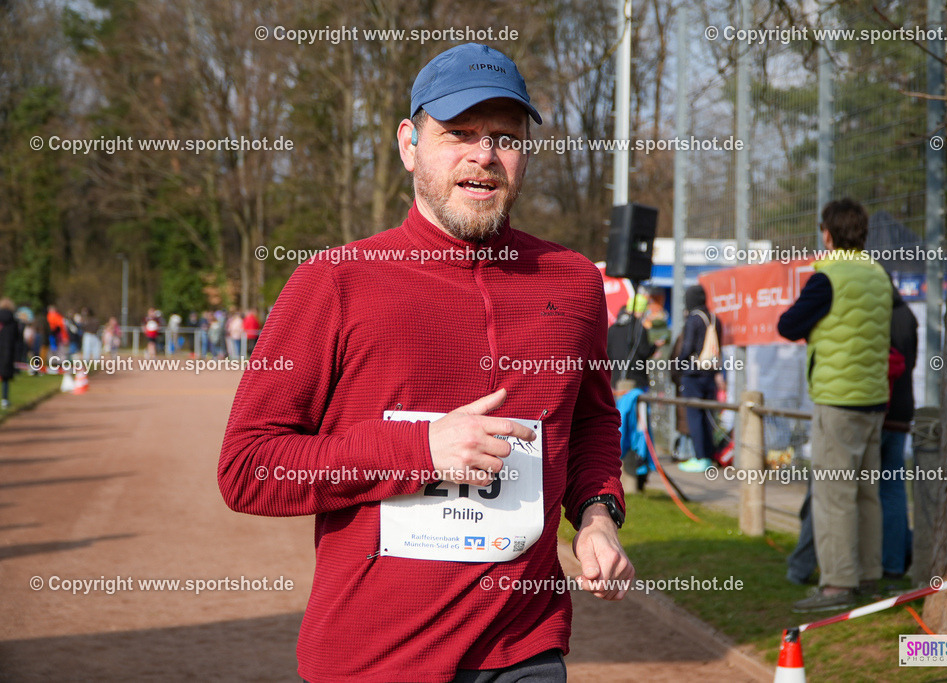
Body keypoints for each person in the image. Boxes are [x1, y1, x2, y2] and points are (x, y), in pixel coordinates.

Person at [219, 43, 633, 682]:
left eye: (505, 137)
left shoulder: (573, 282)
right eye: (459, 133)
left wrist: (599, 516)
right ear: (410, 144)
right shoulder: (334, 282)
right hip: (374, 659)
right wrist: (418, 449)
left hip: (525, 650)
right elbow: (249, 469)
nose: (484, 155)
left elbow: (589, 426)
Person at [778, 198, 892, 612]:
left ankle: (837, 586)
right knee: (866, 494)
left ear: (827, 232)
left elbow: (787, 325)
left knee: (833, 495)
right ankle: (868, 577)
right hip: (875, 399)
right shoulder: (879, 274)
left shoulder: (827, 276)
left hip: (838, 399)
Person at [881, 285, 916, 579]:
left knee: (866, 491)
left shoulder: (875, 314)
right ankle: (895, 562)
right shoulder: (908, 314)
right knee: (893, 490)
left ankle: (874, 563)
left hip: (879, 408)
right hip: (903, 408)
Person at [670, 285, 726, 473]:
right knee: (708, 415)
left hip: (693, 374)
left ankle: (700, 457)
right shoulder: (715, 319)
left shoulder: (693, 319)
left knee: (694, 416)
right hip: (710, 373)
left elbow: (687, 348)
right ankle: (709, 455)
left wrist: (678, 366)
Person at [607, 296, 657, 390]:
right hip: (636, 380)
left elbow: (607, 353)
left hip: (615, 379)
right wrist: (654, 347)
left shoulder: (612, 328)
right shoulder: (639, 328)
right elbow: (644, 352)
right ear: (639, 311)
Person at [0, 299, 23, 409]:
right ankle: (4, 399)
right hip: (7, 351)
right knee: (5, 377)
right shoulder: (13, 321)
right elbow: (18, 338)